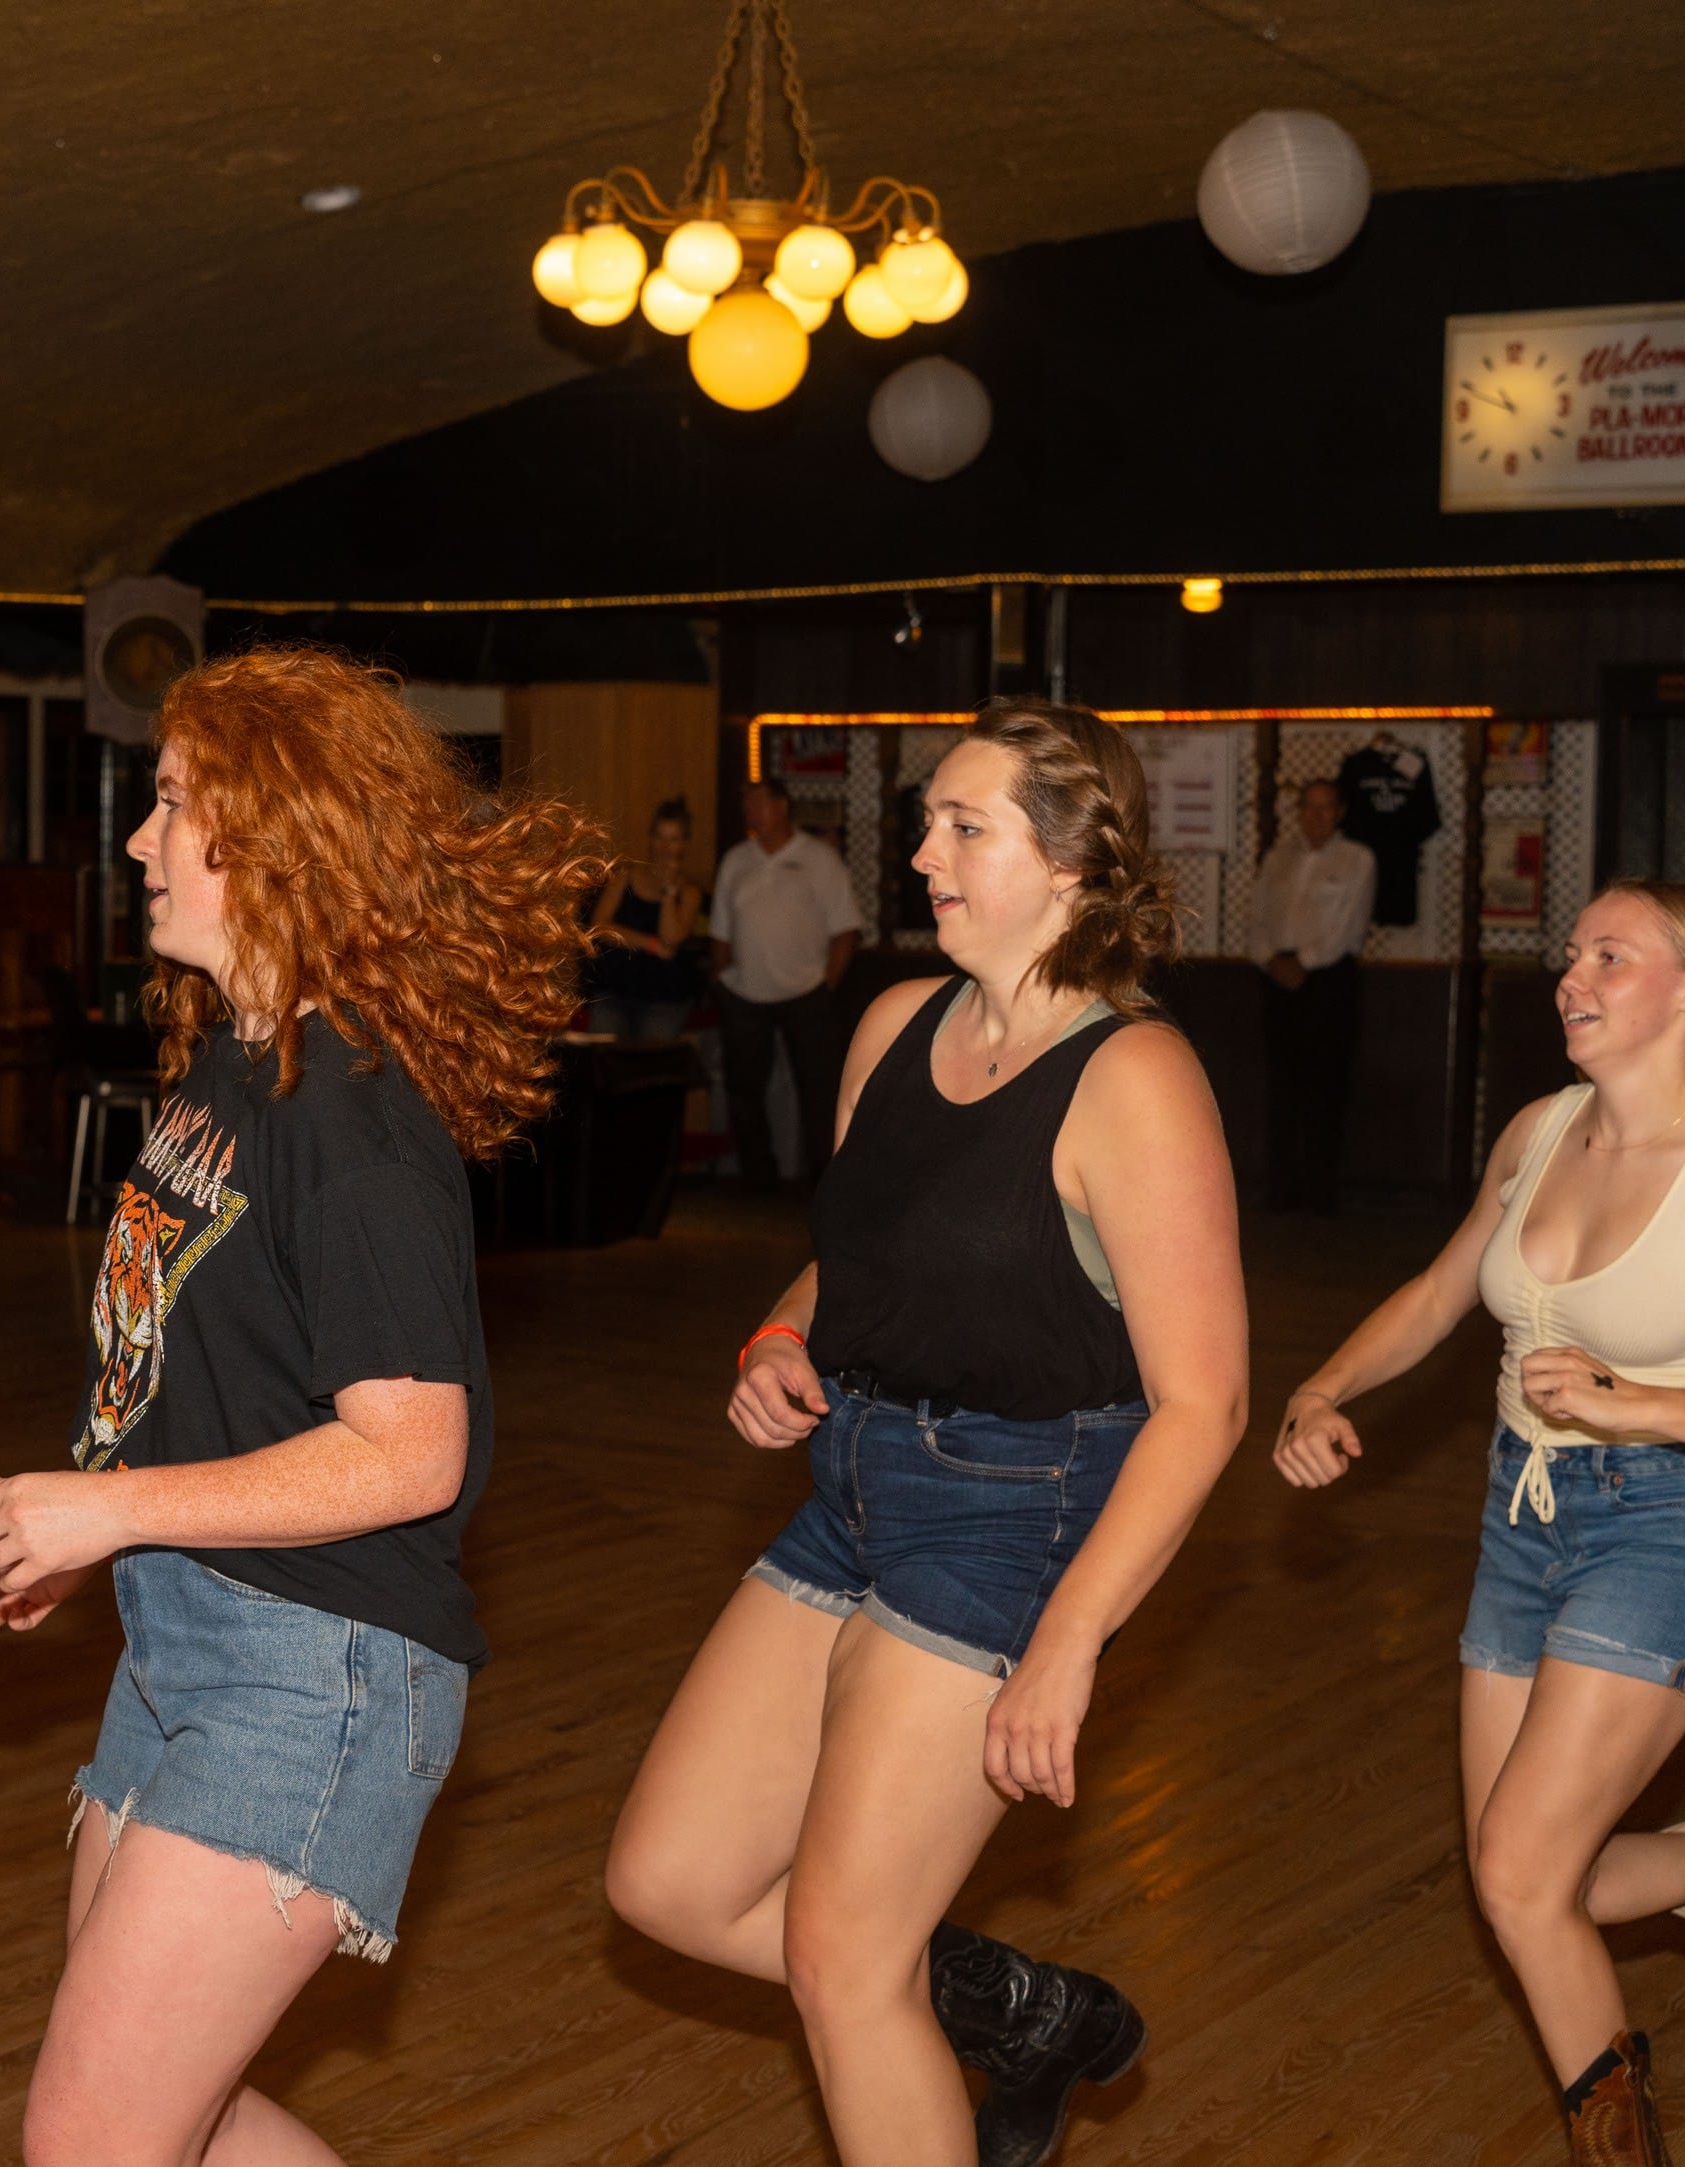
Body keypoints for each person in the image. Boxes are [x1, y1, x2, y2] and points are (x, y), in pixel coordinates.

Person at [0, 647, 602, 2167]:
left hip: (316, 1674)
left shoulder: (350, 1118)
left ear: (280, 836)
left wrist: (106, 1509)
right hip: (190, 1634)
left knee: (94, 2140)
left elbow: (409, 1453)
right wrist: (90, 1532)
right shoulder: (236, 1063)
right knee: (155, 2120)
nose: (139, 839)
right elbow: (200, 1365)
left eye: (175, 803)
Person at [606, 698, 1248, 2167]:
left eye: (964, 826)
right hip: (852, 1481)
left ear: (1072, 861)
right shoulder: (895, 1025)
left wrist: (1066, 1642)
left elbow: (1205, 1403)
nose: (920, 855)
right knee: (668, 1879)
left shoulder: (1133, 1079)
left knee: (843, 1963)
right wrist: (779, 1335)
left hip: (1013, 1515)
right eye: (925, 823)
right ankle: (1022, 2010)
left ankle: (931, 1988)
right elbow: (851, 1260)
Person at [1274, 880, 1685, 2160]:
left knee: (1525, 1877)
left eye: (1608, 957)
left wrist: (1639, 1404)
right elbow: (1439, 1290)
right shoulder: (1538, 1130)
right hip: (1521, 1514)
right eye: (1570, 953)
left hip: (1675, 1522)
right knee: (1522, 1876)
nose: (1570, 977)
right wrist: (1322, 1387)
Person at [708, 777, 865, 1189]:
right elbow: (720, 932)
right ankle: (757, 1175)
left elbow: (845, 930)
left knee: (819, 1089)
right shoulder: (736, 861)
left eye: (759, 803)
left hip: (807, 992)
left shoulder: (819, 859)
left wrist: (826, 985)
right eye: (747, 804)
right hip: (745, 993)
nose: (751, 811)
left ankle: (823, 1179)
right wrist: (721, 978)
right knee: (744, 1089)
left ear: (782, 807)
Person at [1251, 778, 1376, 1213]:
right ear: (1298, 811)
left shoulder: (1357, 859)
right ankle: (1281, 1189)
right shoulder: (1278, 858)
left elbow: (1348, 926)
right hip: (1276, 977)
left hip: (1327, 980)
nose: (1316, 816)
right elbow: (1257, 918)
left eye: (1326, 808)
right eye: (1309, 807)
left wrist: (1303, 961)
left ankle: (1319, 1193)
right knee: (1281, 1084)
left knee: (1324, 1087)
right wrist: (1271, 959)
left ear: (1340, 812)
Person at [585, 795, 707, 1043]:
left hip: (664, 999)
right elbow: (599, 927)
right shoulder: (626, 877)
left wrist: (668, 893)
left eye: (673, 839)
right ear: (650, 839)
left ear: (684, 845)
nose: (665, 847)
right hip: (615, 992)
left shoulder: (689, 892)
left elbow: (670, 940)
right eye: (660, 837)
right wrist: (650, 944)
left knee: (651, 1052)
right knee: (603, 1050)